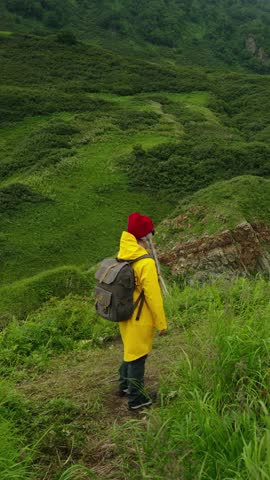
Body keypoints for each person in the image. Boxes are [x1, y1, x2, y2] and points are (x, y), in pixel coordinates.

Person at [117, 212, 168, 410]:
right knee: (138, 356)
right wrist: (161, 323)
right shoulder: (145, 262)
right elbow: (154, 297)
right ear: (144, 237)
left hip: (125, 312)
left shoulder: (124, 253)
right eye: (150, 234)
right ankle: (137, 400)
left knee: (130, 350)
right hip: (140, 315)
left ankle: (124, 386)